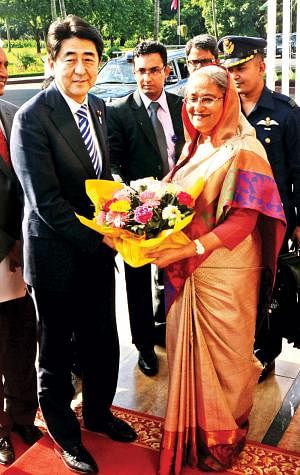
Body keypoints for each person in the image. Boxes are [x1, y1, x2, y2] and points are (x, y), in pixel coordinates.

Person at [10, 16, 136, 475]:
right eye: (71, 58)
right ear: (51, 61)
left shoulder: (98, 108)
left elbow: (99, 183)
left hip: (98, 252)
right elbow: (44, 202)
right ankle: (66, 432)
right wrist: (100, 236)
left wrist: (126, 213)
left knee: (103, 337)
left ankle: (99, 414)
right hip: (55, 255)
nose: (81, 68)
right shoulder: (32, 117)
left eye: (90, 58)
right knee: (57, 347)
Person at [145, 66, 286, 473]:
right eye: (191, 97)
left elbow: (244, 220)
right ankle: (189, 431)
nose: (197, 106)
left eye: (208, 98)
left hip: (225, 272)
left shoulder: (245, 148)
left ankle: (221, 440)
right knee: (185, 355)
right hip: (186, 270)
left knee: (226, 363)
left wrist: (189, 248)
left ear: (227, 101)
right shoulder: (195, 144)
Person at [218, 35, 300, 381]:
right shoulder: (225, 111)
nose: (235, 75)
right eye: (230, 69)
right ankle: (238, 346)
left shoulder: (285, 113)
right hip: (234, 218)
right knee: (237, 286)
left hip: (273, 220)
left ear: (261, 66)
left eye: (242, 67)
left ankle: (265, 353)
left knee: (269, 287)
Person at [107, 40, 184, 376]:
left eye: (154, 70)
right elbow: (113, 164)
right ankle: (144, 347)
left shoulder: (184, 107)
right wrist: (134, 199)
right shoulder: (119, 111)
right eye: (141, 71)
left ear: (166, 71)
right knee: (137, 285)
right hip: (137, 215)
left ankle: (174, 334)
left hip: (179, 212)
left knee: (176, 278)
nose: (147, 78)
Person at [0, 43, 42, 466]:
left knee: (20, 341)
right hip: (2, 251)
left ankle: (24, 416)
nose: (4, 73)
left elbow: (26, 185)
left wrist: (22, 241)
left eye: (6, 64)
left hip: (18, 259)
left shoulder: (13, 114)